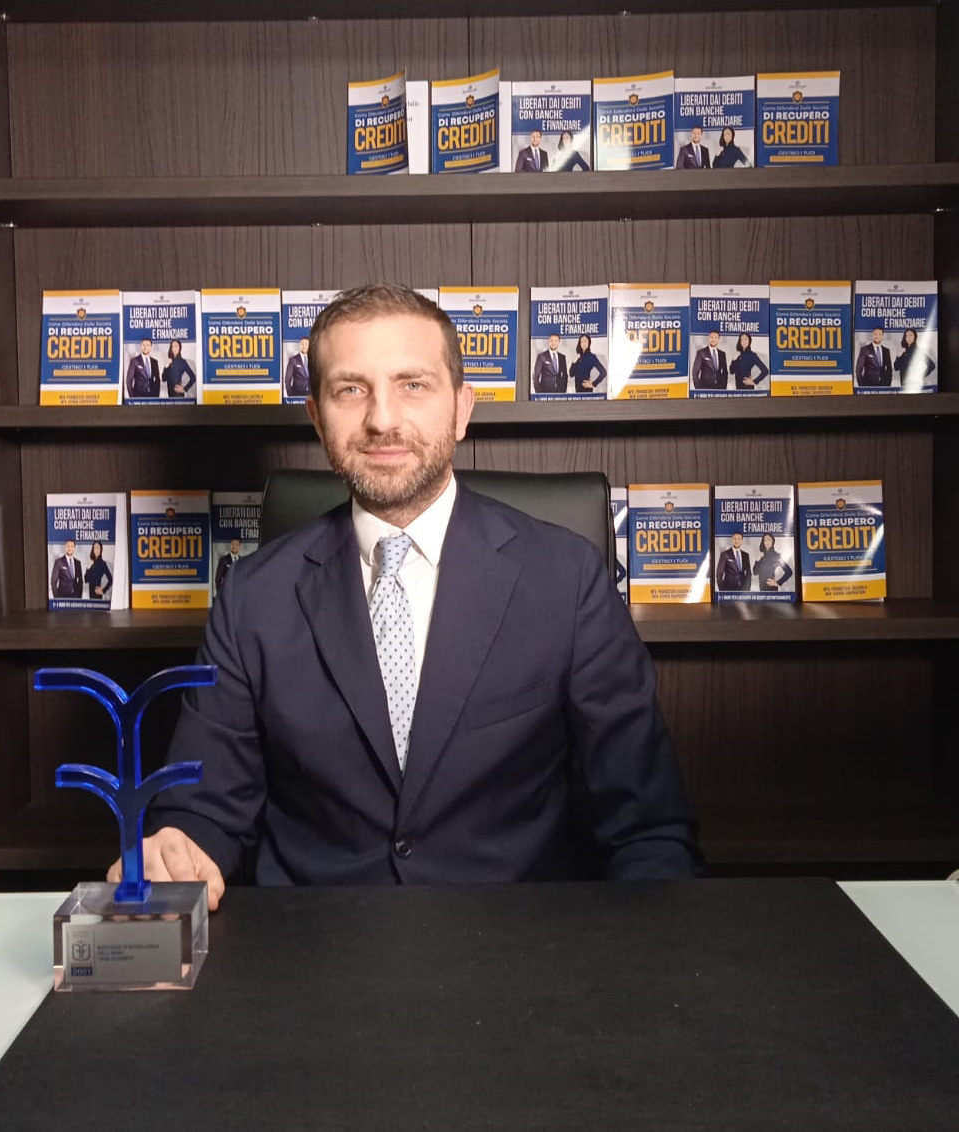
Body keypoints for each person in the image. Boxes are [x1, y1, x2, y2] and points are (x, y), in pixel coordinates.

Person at [111, 283, 700, 905]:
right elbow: (202, 809)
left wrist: (647, 952)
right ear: (316, 417)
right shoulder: (252, 597)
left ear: (462, 409)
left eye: (413, 384)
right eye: (350, 389)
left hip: (519, 943)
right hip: (314, 943)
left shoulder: (566, 577)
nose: (382, 420)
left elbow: (647, 824)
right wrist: (176, 853)